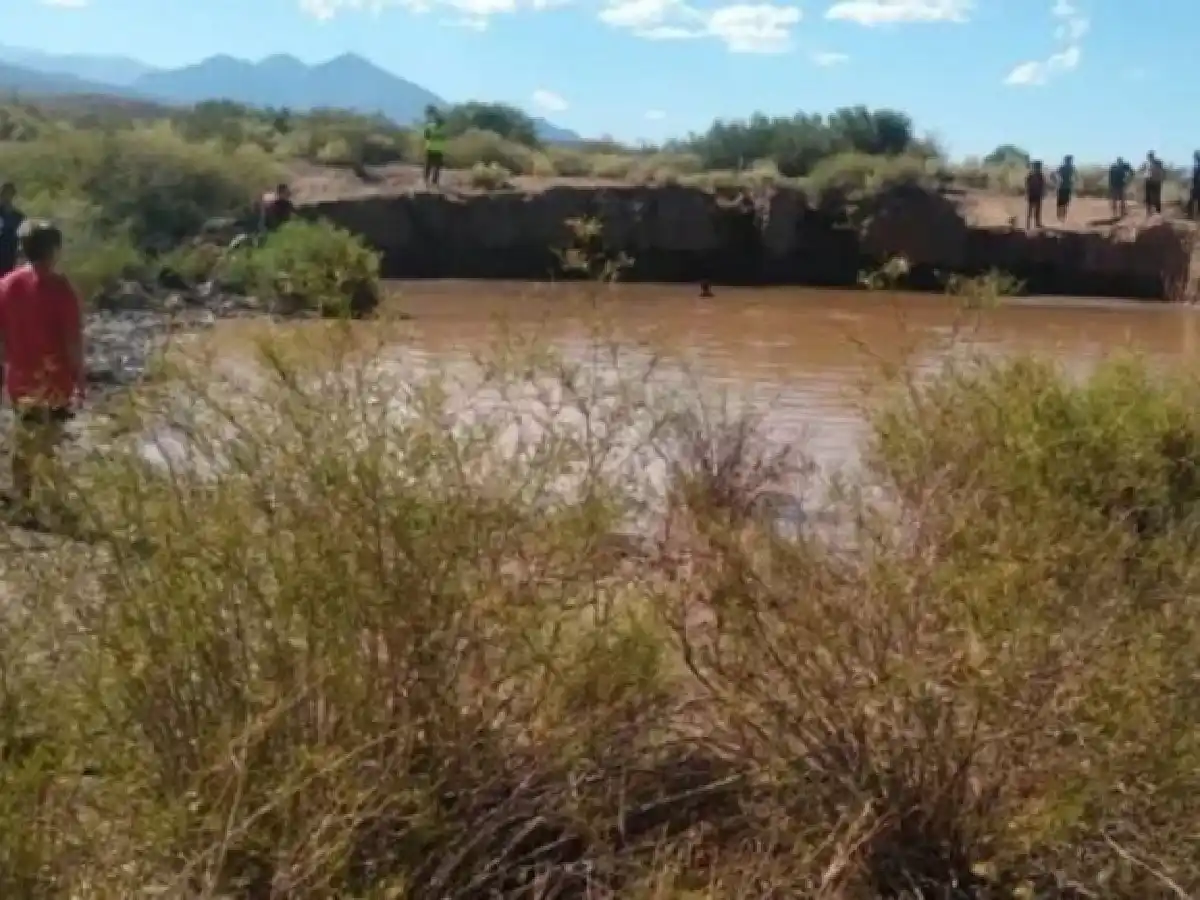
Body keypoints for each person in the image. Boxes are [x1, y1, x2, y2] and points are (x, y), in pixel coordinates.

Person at [0, 220, 84, 518]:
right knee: (49, 441)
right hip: (54, 379)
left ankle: (23, 500)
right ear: (53, 249)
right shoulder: (60, 288)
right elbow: (71, 339)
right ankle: (50, 503)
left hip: (18, 378)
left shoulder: (6, 284)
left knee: (23, 439)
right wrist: (80, 378)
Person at [0, 183, 24, 278]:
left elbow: (22, 238)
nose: (6, 197)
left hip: (10, 258)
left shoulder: (18, 217)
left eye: (9, 194)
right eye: (3, 194)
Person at [422, 106, 446, 188]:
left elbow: (426, 136)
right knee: (432, 166)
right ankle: (429, 181)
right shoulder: (434, 127)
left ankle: (431, 182)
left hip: (435, 149)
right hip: (434, 149)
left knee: (434, 167)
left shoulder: (432, 127)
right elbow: (426, 135)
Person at [1055, 154, 1076, 222]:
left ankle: (1060, 215)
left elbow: (1054, 174)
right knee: (1065, 202)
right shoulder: (1071, 168)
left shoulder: (1062, 167)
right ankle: (1062, 216)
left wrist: (1056, 180)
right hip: (1066, 186)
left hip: (1062, 186)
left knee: (1061, 202)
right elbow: (1076, 176)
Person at [1025, 160, 1045, 230]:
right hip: (1037, 194)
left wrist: (1027, 193)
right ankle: (1037, 223)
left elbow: (1027, 184)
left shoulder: (1030, 174)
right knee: (1037, 209)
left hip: (1032, 194)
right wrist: (1042, 193)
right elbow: (1042, 185)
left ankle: (1028, 224)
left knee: (1030, 209)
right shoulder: (1040, 175)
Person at [1143, 151, 1165, 216]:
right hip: (1149, 181)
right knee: (1148, 197)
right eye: (1149, 156)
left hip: (1156, 181)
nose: (1149, 158)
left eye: (1150, 156)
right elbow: (1144, 172)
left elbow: (1162, 171)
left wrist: (1162, 178)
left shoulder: (1158, 162)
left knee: (1157, 197)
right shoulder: (1147, 164)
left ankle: (1158, 212)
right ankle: (1148, 212)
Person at [1189, 152, 1200, 219]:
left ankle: (1192, 215)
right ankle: (1196, 215)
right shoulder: (1197, 167)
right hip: (1197, 185)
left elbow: (1195, 178)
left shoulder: (1197, 167)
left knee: (1193, 200)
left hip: (1197, 186)